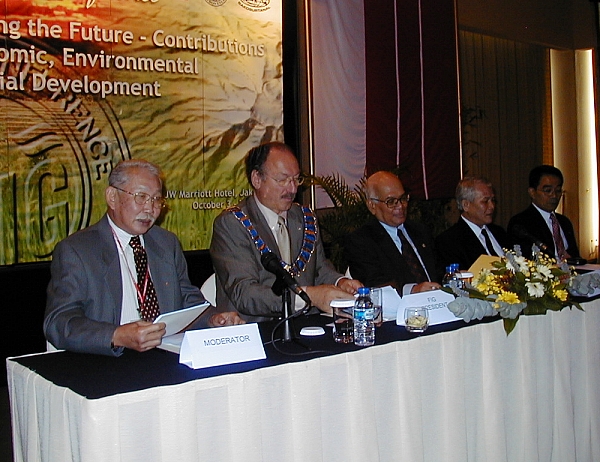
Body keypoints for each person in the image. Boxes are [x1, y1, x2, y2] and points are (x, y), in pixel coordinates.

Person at [44, 159, 242, 356]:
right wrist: (117, 335)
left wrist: (213, 318)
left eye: (156, 199)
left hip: (165, 354)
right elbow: (58, 322)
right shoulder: (78, 251)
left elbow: (186, 299)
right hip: (108, 358)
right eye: (141, 197)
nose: (150, 208)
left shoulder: (166, 243)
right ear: (112, 197)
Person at [210, 141, 362, 323]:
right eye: (282, 180)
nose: (292, 189)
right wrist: (308, 296)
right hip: (255, 329)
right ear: (257, 179)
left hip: (305, 326)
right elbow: (245, 293)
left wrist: (340, 283)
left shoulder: (306, 218)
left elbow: (319, 269)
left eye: (296, 179)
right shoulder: (232, 223)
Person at [344, 171, 440, 294]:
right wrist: (412, 290)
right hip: (399, 305)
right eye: (391, 201)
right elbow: (374, 283)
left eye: (403, 198)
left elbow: (439, 271)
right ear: (372, 206)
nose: (400, 206)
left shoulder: (421, 231)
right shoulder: (361, 241)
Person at [435, 176, 511, 271]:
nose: (492, 206)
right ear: (466, 205)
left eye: (493, 200)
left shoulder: (499, 232)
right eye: (485, 201)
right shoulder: (449, 242)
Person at [508, 165, 580, 260]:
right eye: (548, 190)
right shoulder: (521, 223)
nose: (554, 195)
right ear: (532, 192)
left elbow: (575, 256)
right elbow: (524, 260)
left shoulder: (564, 222)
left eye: (558, 190)